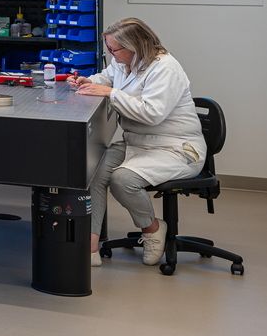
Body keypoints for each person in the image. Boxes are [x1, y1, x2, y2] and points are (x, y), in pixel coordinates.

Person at [67, 18, 203, 267]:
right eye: (108, 49)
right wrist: (89, 82)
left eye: (114, 50)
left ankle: (153, 229)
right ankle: (91, 243)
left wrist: (111, 93)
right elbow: (107, 77)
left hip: (175, 148)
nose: (111, 54)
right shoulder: (123, 61)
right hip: (136, 143)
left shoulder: (165, 68)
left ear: (135, 45)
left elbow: (152, 113)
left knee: (123, 179)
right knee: (92, 170)